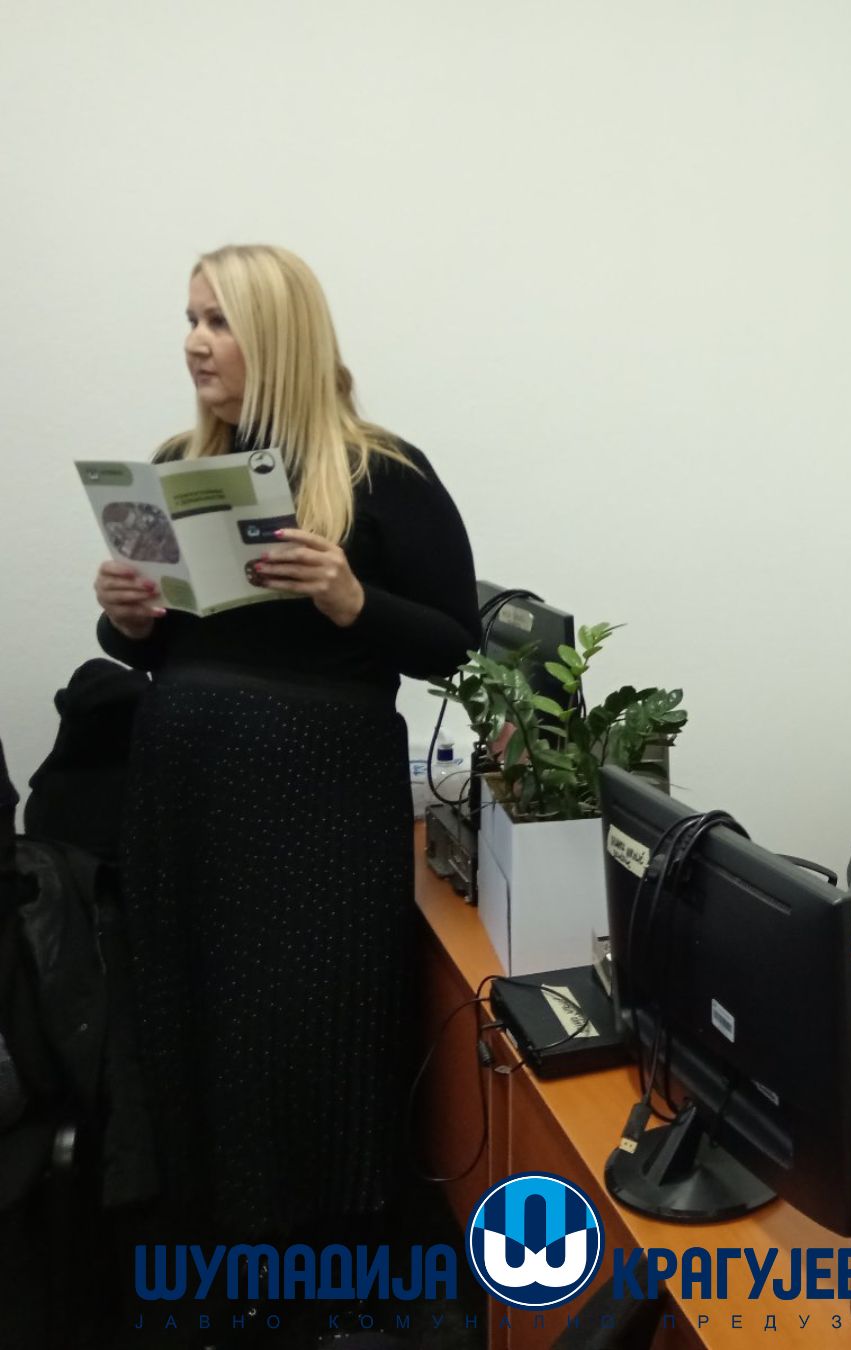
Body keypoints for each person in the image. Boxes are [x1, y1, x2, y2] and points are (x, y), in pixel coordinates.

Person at [93, 244, 481, 1256]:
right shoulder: (179, 469)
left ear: (277, 335)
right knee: (192, 1009)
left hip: (316, 803)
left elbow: (456, 645)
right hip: (185, 793)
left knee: (308, 1021)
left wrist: (351, 598)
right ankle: (210, 1233)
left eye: (218, 321)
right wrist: (127, 621)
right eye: (191, 319)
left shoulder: (381, 472)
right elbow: (165, 647)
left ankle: (327, 1249)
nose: (194, 342)